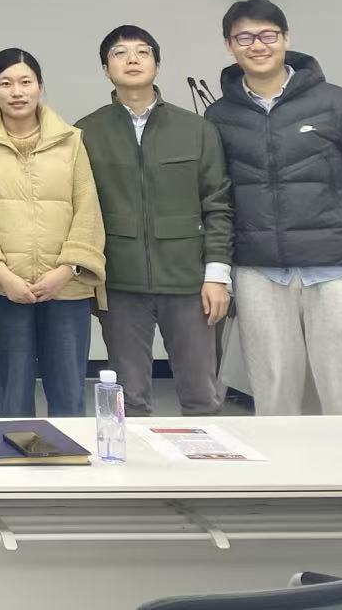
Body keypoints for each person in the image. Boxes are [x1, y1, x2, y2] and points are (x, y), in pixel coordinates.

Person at [204, 0, 342, 416]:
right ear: (229, 46)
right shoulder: (218, 116)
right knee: (274, 395)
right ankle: (285, 462)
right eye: (244, 38)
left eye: (268, 35)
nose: (258, 45)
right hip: (260, 273)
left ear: (286, 38)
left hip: (336, 270)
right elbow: (217, 196)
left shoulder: (337, 103)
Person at [76, 26, 232, 418]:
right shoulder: (85, 133)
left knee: (201, 395)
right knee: (127, 400)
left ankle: (206, 459)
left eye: (142, 52)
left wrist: (217, 276)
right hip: (120, 283)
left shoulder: (196, 129)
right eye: (119, 53)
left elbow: (218, 205)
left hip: (189, 281)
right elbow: (79, 211)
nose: (132, 59)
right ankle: (131, 460)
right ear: (105, 69)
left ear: (157, 66)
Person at [0, 49, 105, 419]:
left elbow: (87, 208)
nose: (16, 91)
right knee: (13, 394)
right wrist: (2, 274)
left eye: (25, 82)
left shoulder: (71, 139)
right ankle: (17, 456)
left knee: (69, 393)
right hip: (4, 288)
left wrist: (67, 269)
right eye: (5, 83)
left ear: (40, 86)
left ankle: (70, 456)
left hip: (66, 286)